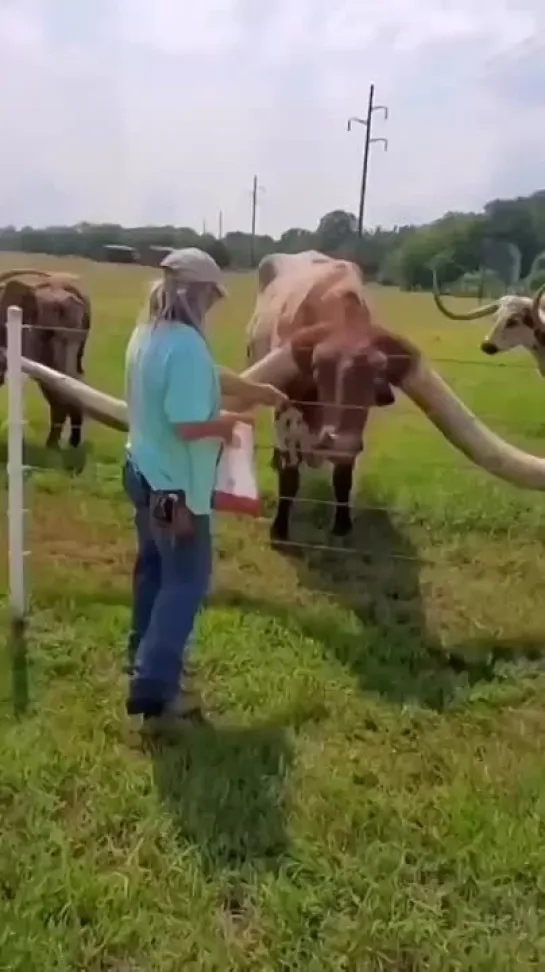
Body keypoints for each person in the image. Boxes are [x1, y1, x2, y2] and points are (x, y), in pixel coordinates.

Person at [123, 247, 286, 731]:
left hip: (142, 472)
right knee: (185, 582)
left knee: (154, 569)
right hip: (174, 489)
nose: (213, 307)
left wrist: (253, 389)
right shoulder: (188, 345)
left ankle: (142, 656)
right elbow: (190, 423)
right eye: (212, 298)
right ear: (197, 293)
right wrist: (234, 422)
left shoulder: (148, 333)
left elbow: (201, 379)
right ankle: (156, 693)